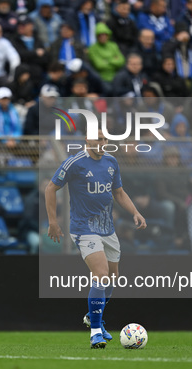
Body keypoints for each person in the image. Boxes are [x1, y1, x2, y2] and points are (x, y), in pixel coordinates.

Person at [45, 129, 146, 349]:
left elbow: (118, 192)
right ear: (87, 140)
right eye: (98, 139)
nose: (102, 142)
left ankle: (93, 316)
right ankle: (95, 333)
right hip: (83, 228)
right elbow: (51, 188)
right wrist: (53, 221)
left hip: (107, 229)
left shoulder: (111, 161)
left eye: (105, 139)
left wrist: (135, 212)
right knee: (100, 275)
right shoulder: (75, 162)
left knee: (113, 277)